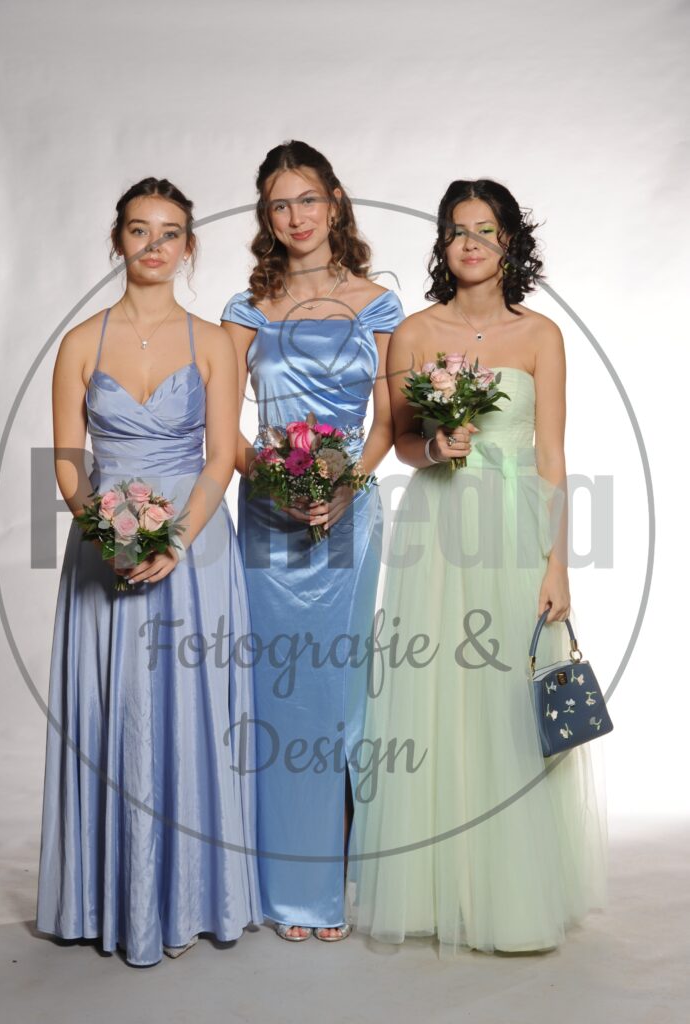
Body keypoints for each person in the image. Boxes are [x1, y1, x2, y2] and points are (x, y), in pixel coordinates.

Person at [350, 179, 607, 954]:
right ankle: (440, 889)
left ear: (510, 242)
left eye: (486, 229)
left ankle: (514, 893)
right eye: (458, 229)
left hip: (515, 528)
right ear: (442, 243)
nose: (471, 242)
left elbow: (553, 455)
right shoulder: (415, 332)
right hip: (439, 526)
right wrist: (435, 446)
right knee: (438, 699)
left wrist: (558, 565)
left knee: (505, 701)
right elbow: (400, 441)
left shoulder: (541, 336)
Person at [36, 177, 261, 967]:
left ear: (189, 247)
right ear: (118, 240)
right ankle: (108, 897)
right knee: (118, 711)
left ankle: (196, 894)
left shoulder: (212, 342)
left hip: (194, 549)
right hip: (105, 546)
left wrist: (176, 540)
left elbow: (221, 456)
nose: (154, 245)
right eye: (140, 230)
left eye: (170, 233)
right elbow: (68, 462)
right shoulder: (78, 343)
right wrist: (104, 532)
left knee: (189, 712)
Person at [221, 140, 404, 941]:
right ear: (267, 217)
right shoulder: (245, 310)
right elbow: (220, 426)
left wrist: (343, 486)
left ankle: (327, 885)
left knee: (338, 696)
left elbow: (388, 422)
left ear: (335, 203)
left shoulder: (379, 306)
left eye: (307, 199)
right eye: (279, 205)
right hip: (268, 518)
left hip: (348, 513)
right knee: (274, 693)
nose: (295, 217)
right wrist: (268, 478)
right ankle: (279, 886)